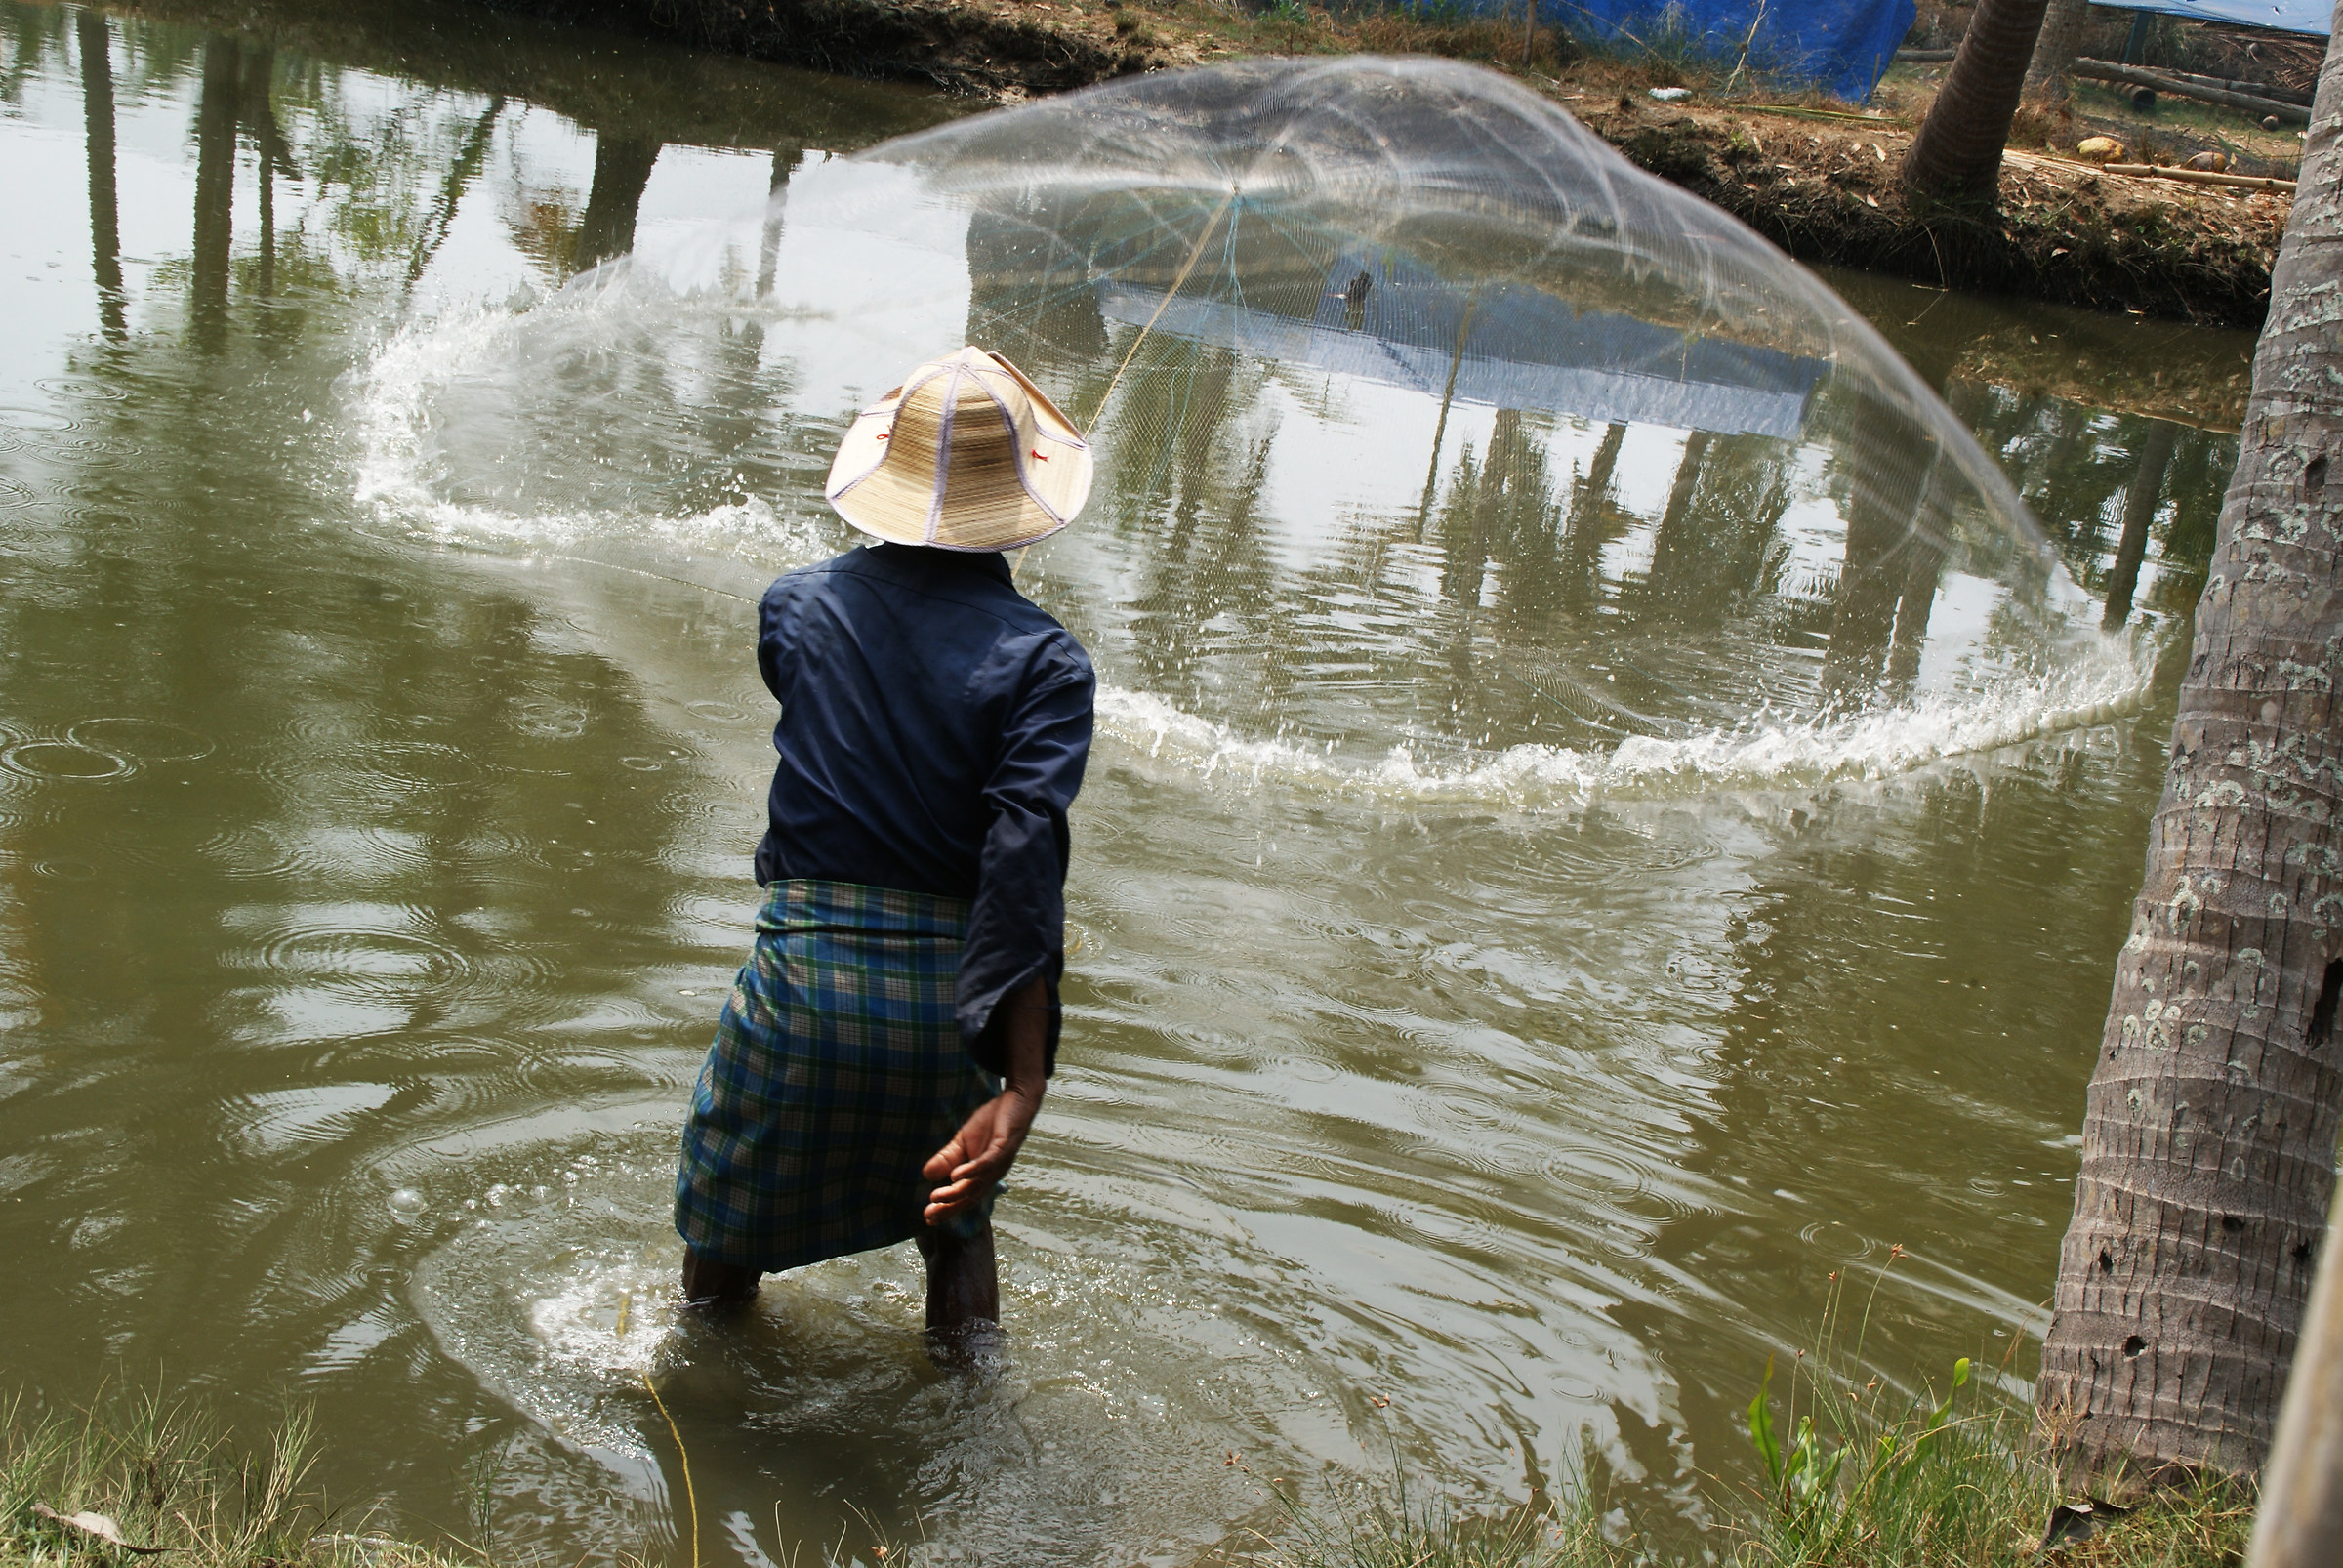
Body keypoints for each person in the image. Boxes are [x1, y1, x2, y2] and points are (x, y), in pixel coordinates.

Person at [673, 346, 1095, 1340]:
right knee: (956, 1229)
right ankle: (974, 1407)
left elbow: (818, 682)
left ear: (886, 479)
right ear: (1018, 501)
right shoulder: (1048, 663)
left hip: (801, 988)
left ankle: (698, 1391)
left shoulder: (796, 607)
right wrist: (1024, 1082)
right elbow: (1023, 858)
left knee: (724, 1233)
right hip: (951, 1011)